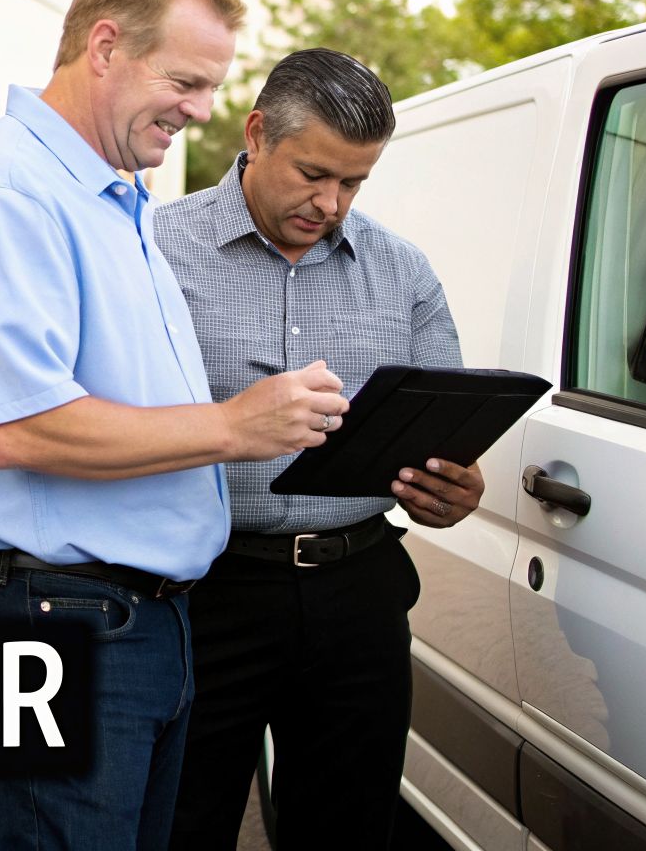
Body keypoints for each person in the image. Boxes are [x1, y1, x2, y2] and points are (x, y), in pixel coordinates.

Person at [0, 0, 353, 850]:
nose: (201, 111)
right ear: (105, 46)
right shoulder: (7, 194)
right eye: (185, 81)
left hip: (136, 624)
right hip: (58, 626)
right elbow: (18, 428)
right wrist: (234, 427)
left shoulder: (115, 202)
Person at [153, 49, 485, 850]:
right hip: (201, 593)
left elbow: (450, 435)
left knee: (348, 832)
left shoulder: (404, 272)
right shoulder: (150, 248)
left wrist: (457, 490)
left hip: (358, 594)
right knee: (180, 825)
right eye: (313, 174)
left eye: (355, 183)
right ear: (257, 133)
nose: (331, 203)